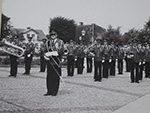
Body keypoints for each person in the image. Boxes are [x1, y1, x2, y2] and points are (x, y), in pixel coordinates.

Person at [44, 31, 64, 96]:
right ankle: (49, 90)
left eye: (54, 34)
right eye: (51, 34)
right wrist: (45, 55)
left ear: (56, 35)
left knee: (55, 76)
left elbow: (62, 50)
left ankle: (54, 91)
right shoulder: (47, 42)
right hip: (50, 60)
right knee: (49, 76)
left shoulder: (60, 42)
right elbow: (44, 50)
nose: (53, 36)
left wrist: (57, 53)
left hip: (56, 60)